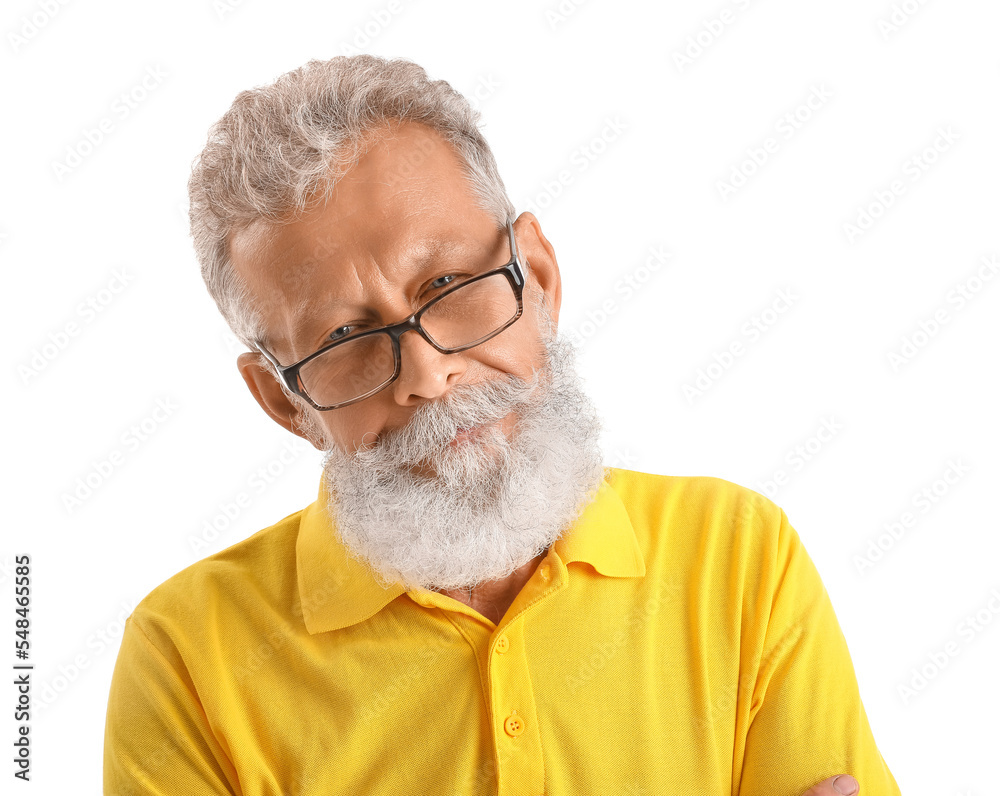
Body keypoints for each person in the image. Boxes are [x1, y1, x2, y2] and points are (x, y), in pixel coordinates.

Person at [103, 55, 901, 795]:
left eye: (447, 283)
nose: (429, 374)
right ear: (285, 404)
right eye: (343, 338)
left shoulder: (738, 559)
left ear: (541, 281)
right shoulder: (187, 660)